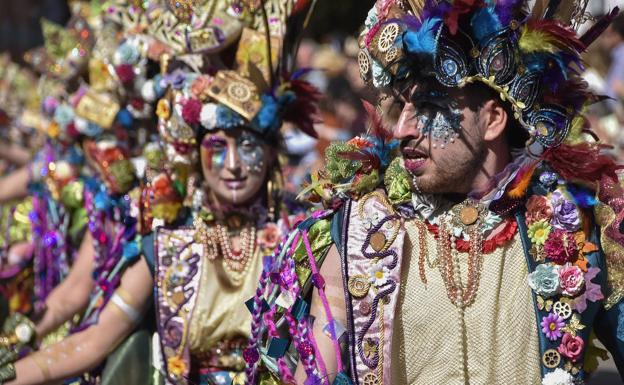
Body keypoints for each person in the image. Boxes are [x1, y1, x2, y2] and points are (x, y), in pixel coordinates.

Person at [247, 1, 624, 385]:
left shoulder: (578, 222)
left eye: (428, 107)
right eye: (402, 106)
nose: (403, 129)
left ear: (493, 120)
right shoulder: (354, 230)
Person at [0, 1, 320, 384]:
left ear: (270, 155)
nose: (233, 164)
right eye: (218, 147)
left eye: (248, 147)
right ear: (194, 154)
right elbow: (90, 343)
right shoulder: (168, 242)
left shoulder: (300, 241)